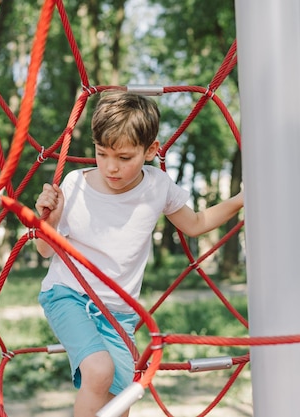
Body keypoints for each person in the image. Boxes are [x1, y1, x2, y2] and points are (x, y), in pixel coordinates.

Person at [34, 91, 244, 417]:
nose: (110, 167)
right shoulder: (76, 185)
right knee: (99, 371)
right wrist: (50, 219)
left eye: (124, 157)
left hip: (118, 312)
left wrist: (241, 200)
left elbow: (196, 223)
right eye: (102, 154)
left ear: (151, 151)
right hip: (68, 295)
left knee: (123, 399)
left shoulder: (157, 186)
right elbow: (46, 250)